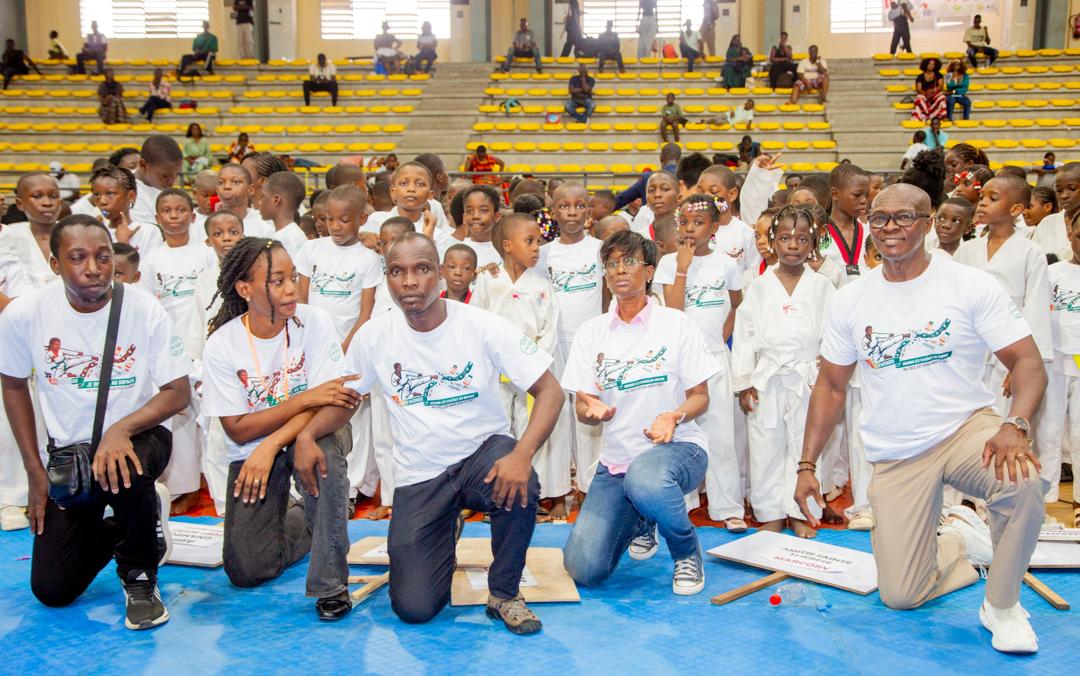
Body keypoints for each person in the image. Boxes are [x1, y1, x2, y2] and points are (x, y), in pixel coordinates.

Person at [798, 183, 1046, 654]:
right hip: (897, 449)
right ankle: (959, 541)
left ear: (928, 224)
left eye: (904, 217)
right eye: (880, 218)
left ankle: (1002, 605)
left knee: (1022, 481)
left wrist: (1015, 425)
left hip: (965, 429)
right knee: (902, 594)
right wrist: (806, 464)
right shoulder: (851, 298)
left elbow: (1028, 362)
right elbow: (830, 386)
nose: (890, 227)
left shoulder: (969, 284)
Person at [300, 232, 563, 632]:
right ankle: (446, 524)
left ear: (439, 273)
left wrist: (522, 455)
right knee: (415, 608)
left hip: (482, 455)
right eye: (397, 272)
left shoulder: (482, 325)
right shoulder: (373, 336)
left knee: (519, 483)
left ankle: (504, 593)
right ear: (387, 278)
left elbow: (550, 391)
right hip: (420, 474)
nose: (409, 281)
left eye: (421, 269)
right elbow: (345, 400)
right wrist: (306, 435)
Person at [0, 214, 191, 628]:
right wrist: (35, 471)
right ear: (55, 264)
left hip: (140, 437)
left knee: (124, 468)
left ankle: (139, 575)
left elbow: (178, 392)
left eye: (103, 256)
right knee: (53, 589)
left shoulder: (144, 309)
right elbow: (13, 384)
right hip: (72, 455)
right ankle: (138, 519)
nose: (93, 268)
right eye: (78, 258)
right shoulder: (25, 314)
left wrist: (121, 429)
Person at [201, 237, 358, 620]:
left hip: (313, 431)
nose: (291, 289)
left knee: (322, 454)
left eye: (293, 277)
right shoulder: (222, 344)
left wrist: (275, 442)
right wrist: (304, 400)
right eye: (277, 281)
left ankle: (330, 584)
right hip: (252, 447)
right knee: (247, 570)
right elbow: (238, 429)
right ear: (245, 289)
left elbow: (331, 401)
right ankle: (308, 518)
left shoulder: (314, 321)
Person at [562, 230, 720, 594]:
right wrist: (591, 409)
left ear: (649, 272)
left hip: (679, 449)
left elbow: (700, 397)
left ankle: (686, 551)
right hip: (618, 462)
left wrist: (674, 416)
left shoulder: (676, 324)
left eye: (629, 261)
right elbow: (582, 405)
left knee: (646, 478)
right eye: (611, 263)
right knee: (583, 568)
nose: (619, 269)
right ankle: (642, 519)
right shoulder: (591, 333)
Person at [735, 205, 835, 538]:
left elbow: (833, 334)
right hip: (767, 374)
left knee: (805, 443)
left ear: (813, 244)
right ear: (772, 241)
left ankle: (801, 511)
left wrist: (826, 375)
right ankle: (770, 512)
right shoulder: (759, 285)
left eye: (802, 239)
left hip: (808, 374)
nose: (793, 245)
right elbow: (745, 335)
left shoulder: (822, 286)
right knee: (765, 444)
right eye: (785, 238)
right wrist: (744, 381)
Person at [654, 195, 746, 529]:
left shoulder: (726, 264)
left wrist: (723, 334)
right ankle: (682, 504)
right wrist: (683, 266)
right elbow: (673, 311)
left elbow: (737, 302)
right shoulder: (669, 263)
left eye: (698, 222)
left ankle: (728, 507)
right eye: (684, 222)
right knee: (679, 434)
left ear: (714, 227)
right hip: (679, 363)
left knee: (720, 436)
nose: (690, 229)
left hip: (715, 359)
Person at [473, 214, 564, 518]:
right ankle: (494, 497)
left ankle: (528, 496)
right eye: (529, 241)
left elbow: (549, 329)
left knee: (529, 433)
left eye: (538, 241)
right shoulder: (487, 279)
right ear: (508, 246)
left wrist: (532, 364)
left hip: (530, 372)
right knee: (497, 431)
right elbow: (475, 320)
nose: (537, 247)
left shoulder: (542, 285)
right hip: (494, 370)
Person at [1048, 226, 1080, 527]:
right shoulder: (1053, 273)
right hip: (1055, 359)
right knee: (1049, 431)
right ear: (1070, 234)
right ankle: (1044, 501)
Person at [91, 165, 163, 259]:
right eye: (97, 195)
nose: (102, 201)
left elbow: (149, 267)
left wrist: (123, 244)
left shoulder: (148, 232)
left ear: (131, 196)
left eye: (110, 194)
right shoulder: (95, 233)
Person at [131, 135, 184, 226]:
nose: (172, 181)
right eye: (165, 176)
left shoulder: (159, 187)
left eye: (177, 174)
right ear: (143, 165)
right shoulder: (128, 194)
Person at [259, 171, 309, 262]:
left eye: (262, 197)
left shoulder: (291, 239)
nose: (259, 202)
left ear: (276, 200)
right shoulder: (282, 234)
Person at [615, 143, 681, 211]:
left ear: (661, 157)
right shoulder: (685, 179)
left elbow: (621, 199)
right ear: (679, 160)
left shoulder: (646, 178)